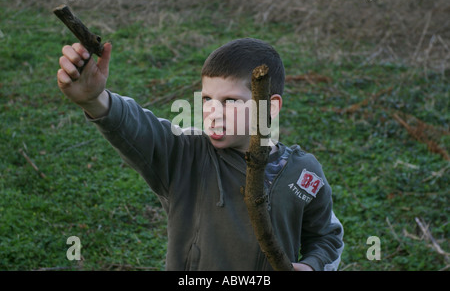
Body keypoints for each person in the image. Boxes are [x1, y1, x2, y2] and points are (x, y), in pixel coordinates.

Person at [57, 38, 344, 271]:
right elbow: (139, 128)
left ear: (269, 106)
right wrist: (96, 99)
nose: (213, 113)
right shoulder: (186, 154)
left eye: (230, 101)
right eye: (207, 99)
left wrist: (311, 266)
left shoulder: (304, 173)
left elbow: (326, 236)